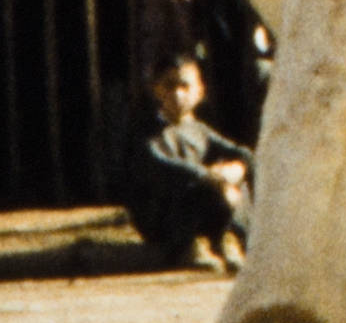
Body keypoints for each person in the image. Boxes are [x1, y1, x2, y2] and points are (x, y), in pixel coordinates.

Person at [104, 45, 249, 267]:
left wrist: (239, 166)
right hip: (163, 214)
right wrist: (209, 175)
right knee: (201, 184)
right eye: (169, 86)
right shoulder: (147, 130)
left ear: (200, 91)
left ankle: (226, 239)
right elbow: (160, 165)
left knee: (239, 182)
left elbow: (241, 152)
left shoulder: (199, 129)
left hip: (198, 200)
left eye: (185, 86)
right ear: (156, 90)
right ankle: (190, 246)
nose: (177, 94)